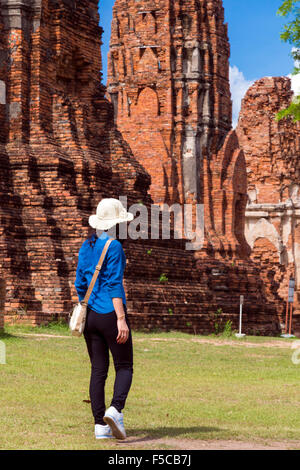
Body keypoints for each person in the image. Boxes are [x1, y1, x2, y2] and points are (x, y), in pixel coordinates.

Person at [75, 198, 134, 440]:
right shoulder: (114, 247)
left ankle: (100, 425)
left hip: (90, 316)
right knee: (124, 366)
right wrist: (121, 318)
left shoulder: (85, 246)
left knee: (98, 369)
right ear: (116, 222)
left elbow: (80, 283)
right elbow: (114, 285)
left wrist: (86, 305)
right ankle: (115, 409)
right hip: (110, 314)